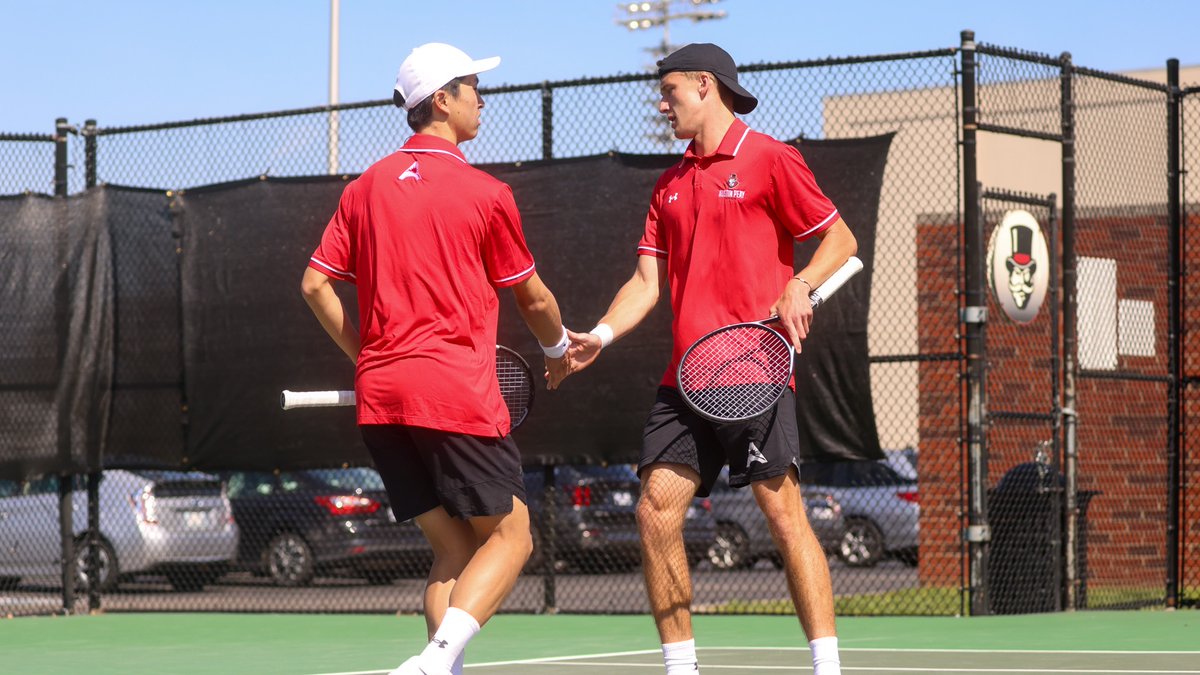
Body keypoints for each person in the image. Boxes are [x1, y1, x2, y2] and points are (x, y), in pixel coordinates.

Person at [562, 43, 855, 675]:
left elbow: (840, 237)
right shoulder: (668, 185)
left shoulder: (771, 159)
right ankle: (680, 666)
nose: (662, 104)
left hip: (756, 371)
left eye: (669, 92)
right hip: (685, 381)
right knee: (653, 510)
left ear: (704, 85)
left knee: (782, 515)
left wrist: (800, 283)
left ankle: (826, 665)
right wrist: (602, 335)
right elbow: (646, 284)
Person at [301, 42, 571, 675]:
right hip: (454, 396)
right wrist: (559, 349)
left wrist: (369, 355)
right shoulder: (487, 193)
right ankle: (431, 662)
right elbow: (531, 298)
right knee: (512, 536)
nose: (483, 98)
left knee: (453, 549)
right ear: (442, 101)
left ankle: (435, 668)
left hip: (381, 401)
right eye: (473, 87)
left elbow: (314, 285)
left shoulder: (363, 187)